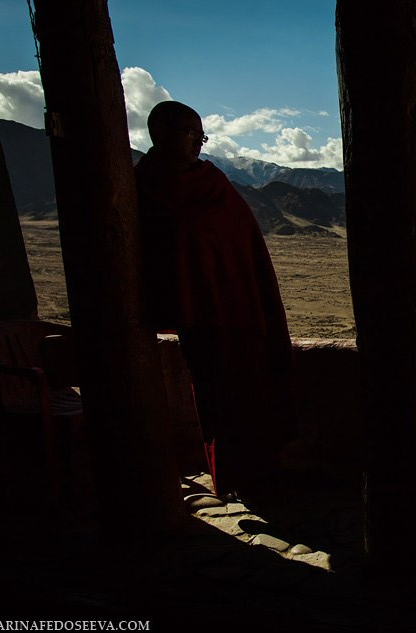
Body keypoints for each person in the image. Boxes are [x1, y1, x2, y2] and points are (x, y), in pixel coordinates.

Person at [134, 100, 294, 499]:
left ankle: (264, 470)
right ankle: (233, 476)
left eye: (201, 134)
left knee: (254, 392)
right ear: (160, 133)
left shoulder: (213, 180)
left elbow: (243, 243)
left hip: (241, 308)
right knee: (217, 399)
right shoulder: (144, 183)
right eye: (190, 133)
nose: (198, 143)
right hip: (199, 315)